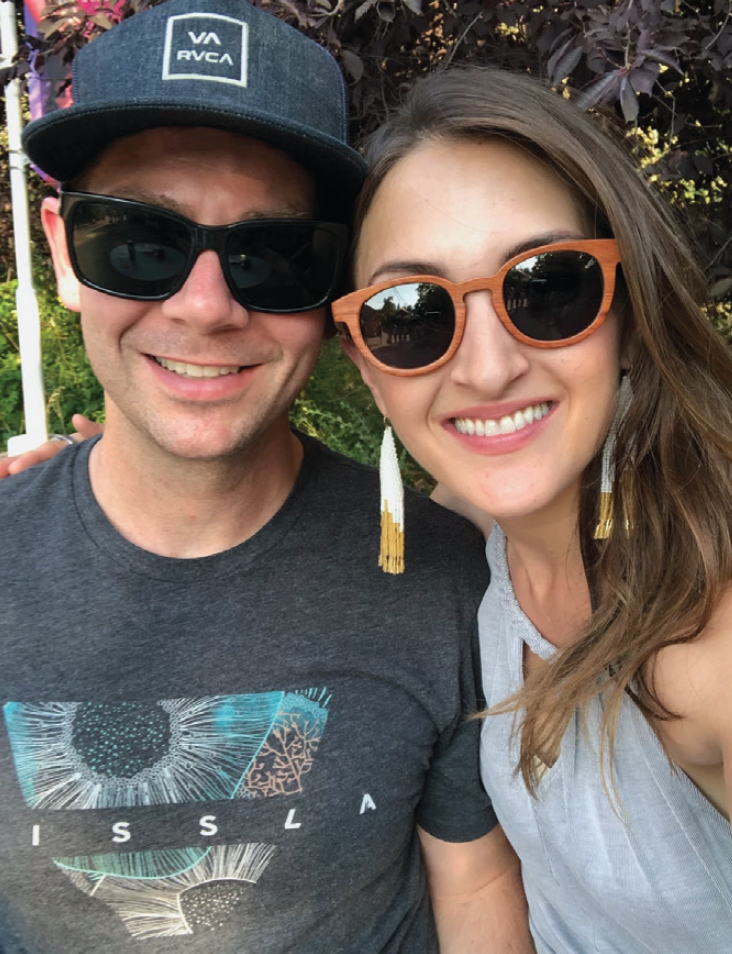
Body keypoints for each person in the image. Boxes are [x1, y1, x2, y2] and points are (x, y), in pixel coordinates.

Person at [0, 5, 535, 952]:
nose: (205, 307)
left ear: (334, 292)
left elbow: (477, 885)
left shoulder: (447, 581)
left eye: (274, 256)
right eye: (140, 242)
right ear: (61, 250)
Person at [330, 67, 732, 952]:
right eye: (412, 315)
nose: (484, 370)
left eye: (548, 286)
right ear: (366, 364)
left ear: (628, 309)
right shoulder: (475, 527)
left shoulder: (705, 647)